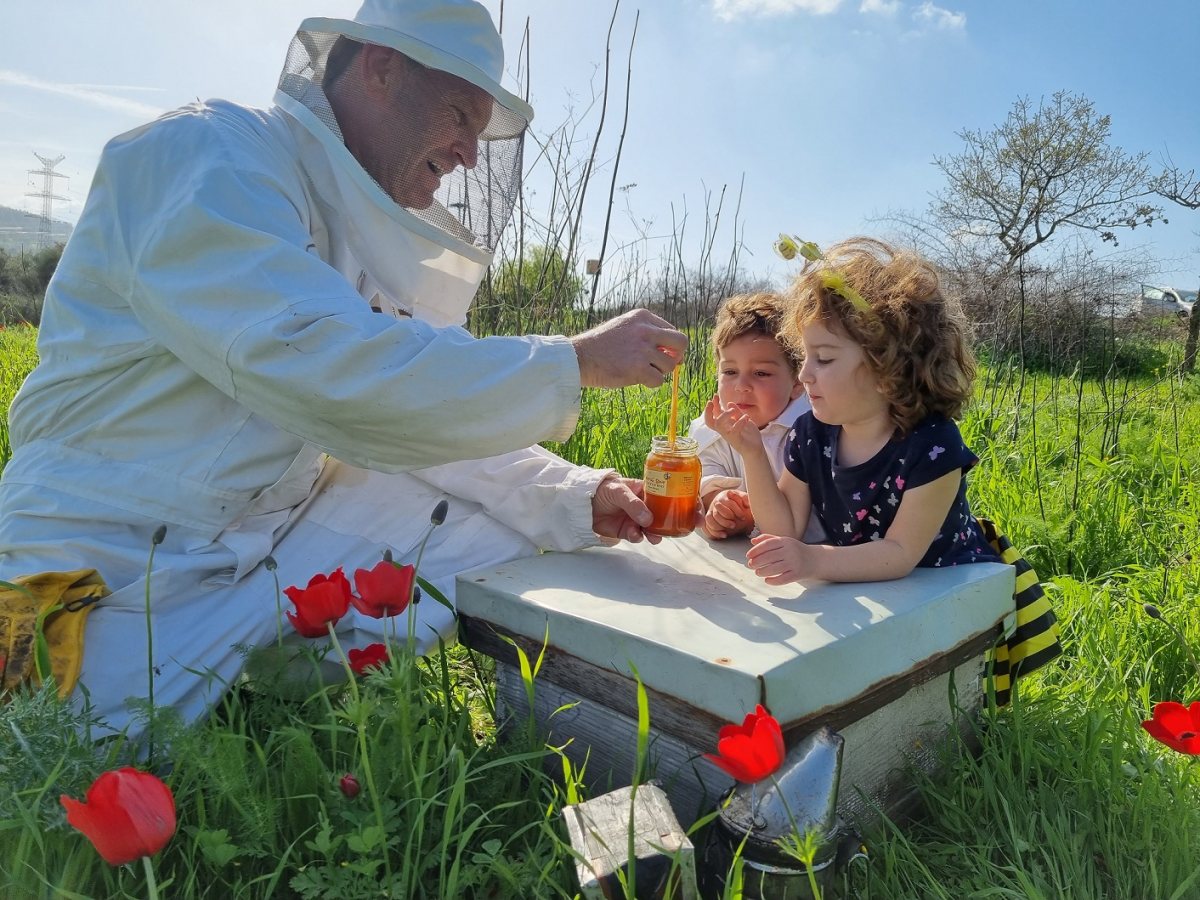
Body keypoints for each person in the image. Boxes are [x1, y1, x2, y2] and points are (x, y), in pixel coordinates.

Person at [0, 0, 687, 740]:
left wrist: (580, 496)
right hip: (111, 548)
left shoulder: (360, 237)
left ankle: (271, 685)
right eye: (459, 114)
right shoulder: (205, 155)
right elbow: (335, 376)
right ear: (381, 68)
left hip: (266, 531)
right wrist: (574, 360)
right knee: (53, 764)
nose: (469, 155)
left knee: (511, 545)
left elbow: (428, 412)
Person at [704, 237, 1000, 584]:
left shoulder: (932, 444)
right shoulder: (811, 433)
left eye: (824, 359)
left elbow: (900, 553)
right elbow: (784, 527)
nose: (804, 374)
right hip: (868, 601)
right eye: (806, 356)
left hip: (951, 590)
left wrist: (813, 560)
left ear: (887, 368)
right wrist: (751, 452)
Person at [686, 292, 822, 542]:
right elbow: (703, 479)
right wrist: (718, 506)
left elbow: (807, 521)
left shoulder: (812, 431)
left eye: (761, 373)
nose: (742, 385)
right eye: (729, 371)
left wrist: (756, 516)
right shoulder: (710, 430)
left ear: (796, 382)